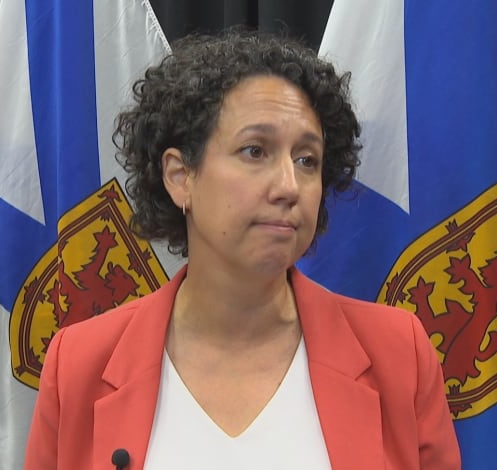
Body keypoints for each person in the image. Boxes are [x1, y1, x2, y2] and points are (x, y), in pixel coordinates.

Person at [25, 30, 460, 469]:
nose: (289, 186)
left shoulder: (398, 353)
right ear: (180, 177)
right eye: (255, 151)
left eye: (307, 159)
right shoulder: (78, 365)